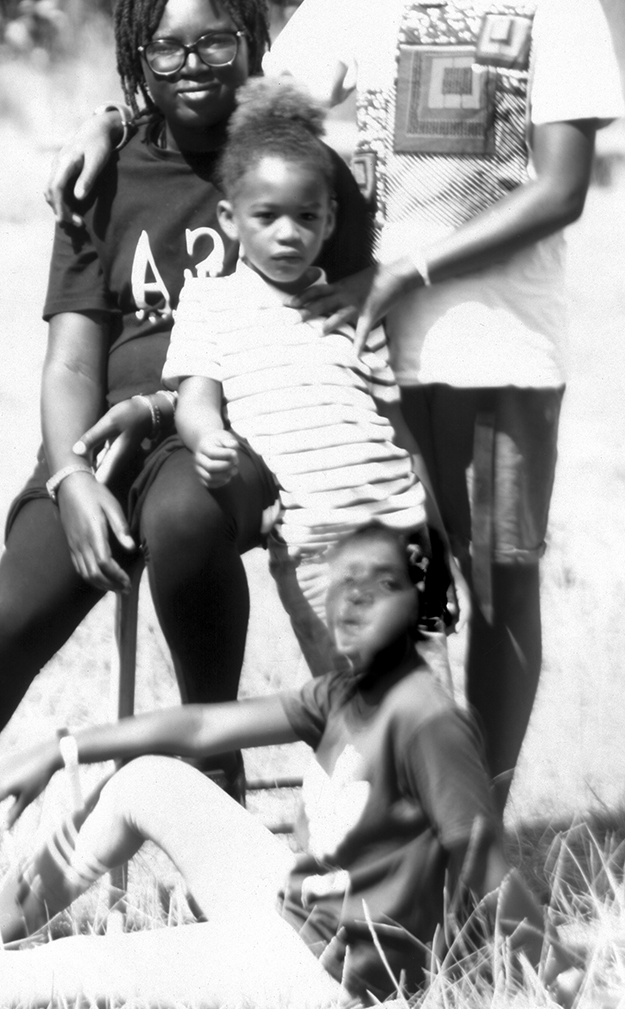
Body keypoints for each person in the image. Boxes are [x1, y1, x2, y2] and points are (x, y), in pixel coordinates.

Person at [52, 0, 625, 809]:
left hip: (496, 349)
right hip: (361, 360)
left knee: (497, 588)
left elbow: (559, 189)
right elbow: (238, 97)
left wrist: (408, 266)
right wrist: (114, 118)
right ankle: (403, 811)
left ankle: (478, 825)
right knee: (378, 591)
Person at [0, 0, 373, 942]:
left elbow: (344, 313)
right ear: (136, 56)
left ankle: (214, 809)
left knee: (183, 517)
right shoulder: (104, 175)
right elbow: (68, 364)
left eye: (215, 42)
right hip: (101, 443)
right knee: (12, 610)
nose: (192, 65)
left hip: (224, 436)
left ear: (251, 44)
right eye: (165, 47)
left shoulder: (291, 168)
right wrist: (70, 477)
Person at [0, 525, 585, 1009]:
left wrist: (557, 972)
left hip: (323, 969)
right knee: (147, 776)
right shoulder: (347, 692)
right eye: (343, 584)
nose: (350, 604)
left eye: (378, 589)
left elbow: (482, 856)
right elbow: (202, 725)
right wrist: (64, 748)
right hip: (287, 904)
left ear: (421, 603)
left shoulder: (429, 721)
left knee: (84, 967)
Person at [164, 75, 439, 677]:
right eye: (267, 216)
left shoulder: (349, 309)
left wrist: (434, 540)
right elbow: (195, 398)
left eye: (306, 216)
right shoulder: (211, 303)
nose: (288, 233)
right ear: (230, 218)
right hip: (317, 545)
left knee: (427, 700)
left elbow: (397, 429)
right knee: (357, 702)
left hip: (402, 530)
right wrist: (208, 440)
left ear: (330, 220)